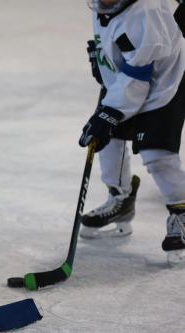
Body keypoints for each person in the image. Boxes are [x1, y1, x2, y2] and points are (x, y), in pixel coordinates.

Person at [78, 0, 185, 261]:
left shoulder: (144, 12)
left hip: (163, 85)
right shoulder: (103, 4)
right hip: (124, 80)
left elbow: (139, 78)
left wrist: (110, 112)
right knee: (107, 141)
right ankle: (121, 199)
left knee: (156, 155)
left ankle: (182, 211)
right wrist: (102, 57)